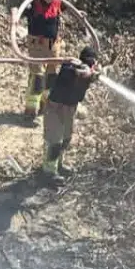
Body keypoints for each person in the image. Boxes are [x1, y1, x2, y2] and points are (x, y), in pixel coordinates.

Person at [21, 0, 86, 122]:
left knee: (51, 77)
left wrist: (79, 14)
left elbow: (70, 10)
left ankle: (45, 107)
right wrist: (14, 16)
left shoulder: (58, 3)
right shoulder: (34, 4)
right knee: (37, 77)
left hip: (53, 47)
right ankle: (30, 110)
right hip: (37, 46)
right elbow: (18, 11)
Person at [40, 45, 101, 181]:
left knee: (66, 138)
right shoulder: (70, 66)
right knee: (54, 140)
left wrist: (95, 75)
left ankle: (59, 164)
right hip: (55, 108)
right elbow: (77, 72)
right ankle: (49, 172)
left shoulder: (89, 72)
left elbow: (88, 76)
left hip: (70, 108)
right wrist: (87, 72)